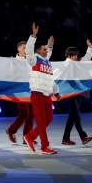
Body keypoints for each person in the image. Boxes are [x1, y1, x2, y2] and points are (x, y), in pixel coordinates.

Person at [6, 36, 54, 145]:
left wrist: (50, 47)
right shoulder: (13, 61)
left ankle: (26, 136)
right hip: (19, 89)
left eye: (27, 47)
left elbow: (45, 59)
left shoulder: (33, 59)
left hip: (32, 88)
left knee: (31, 113)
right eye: (23, 47)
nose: (25, 49)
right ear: (18, 49)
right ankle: (12, 130)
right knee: (25, 113)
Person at [23, 22, 61, 155]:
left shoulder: (46, 62)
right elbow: (28, 51)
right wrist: (33, 36)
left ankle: (30, 136)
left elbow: (50, 78)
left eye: (47, 50)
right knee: (40, 120)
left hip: (47, 94)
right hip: (37, 93)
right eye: (44, 49)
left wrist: (56, 91)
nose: (46, 51)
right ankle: (45, 146)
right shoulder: (33, 60)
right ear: (38, 51)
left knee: (49, 119)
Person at [61, 40, 92, 146]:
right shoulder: (66, 65)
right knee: (76, 115)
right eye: (74, 55)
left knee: (72, 115)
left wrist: (90, 48)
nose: (76, 56)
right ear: (69, 56)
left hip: (77, 91)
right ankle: (83, 136)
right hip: (70, 93)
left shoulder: (76, 63)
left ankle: (66, 138)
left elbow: (86, 59)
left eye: (76, 55)